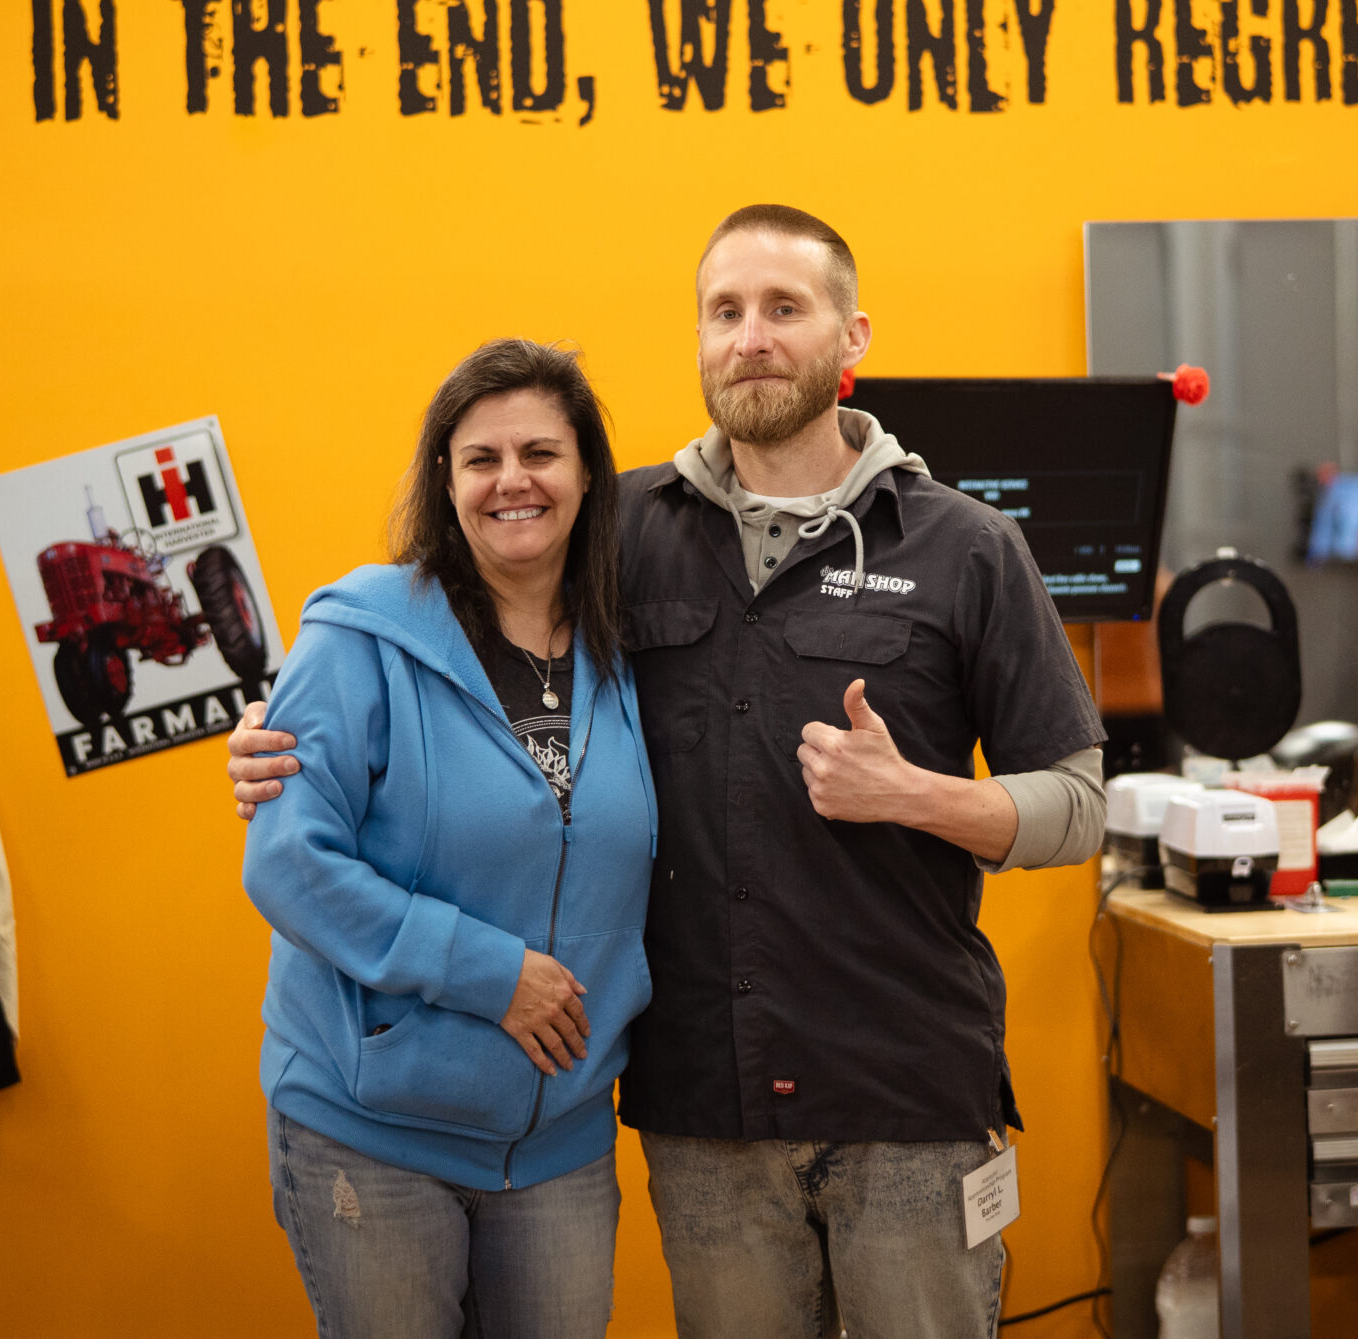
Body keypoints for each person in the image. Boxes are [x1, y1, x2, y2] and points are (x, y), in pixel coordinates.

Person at [234, 208, 1105, 1337]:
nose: (752, 337)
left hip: (906, 1093)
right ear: (697, 339)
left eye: (785, 308)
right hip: (704, 1106)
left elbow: (1079, 802)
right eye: (725, 311)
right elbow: (455, 626)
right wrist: (283, 734)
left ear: (852, 336)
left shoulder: (965, 545)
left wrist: (917, 795)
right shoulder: (626, 532)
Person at [241, 339, 657, 1339]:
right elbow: (289, 859)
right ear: (445, 479)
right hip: (371, 1132)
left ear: (587, 474)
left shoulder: (632, 645)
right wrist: (489, 973)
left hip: (560, 1142)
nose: (513, 480)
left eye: (541, 453)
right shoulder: (360, 632)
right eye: (482, 458)